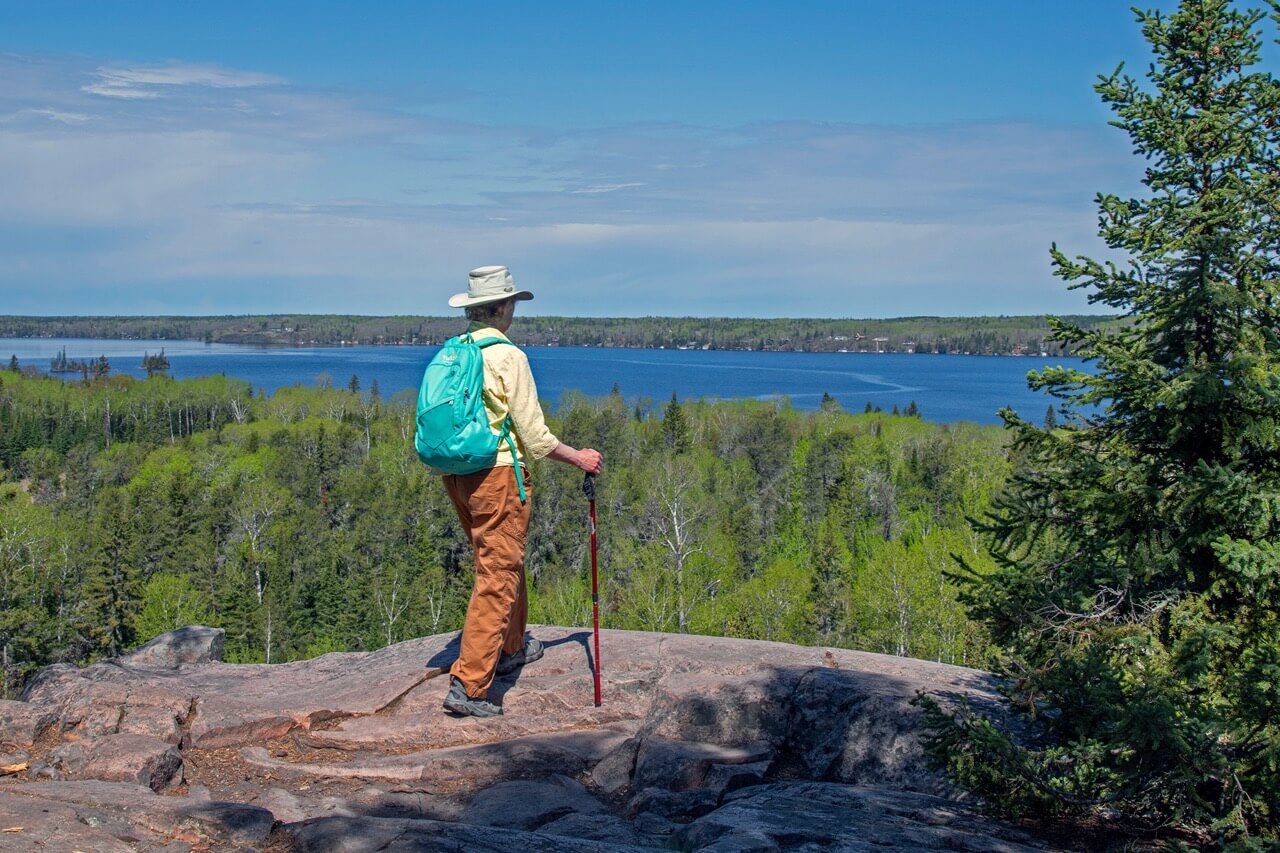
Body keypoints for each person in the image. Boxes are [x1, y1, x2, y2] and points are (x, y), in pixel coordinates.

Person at [440, 265, 604, 718]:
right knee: (498, 574)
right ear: (502, 308)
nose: (514, 310)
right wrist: (580, 458)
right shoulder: (508, 356)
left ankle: (511, 646)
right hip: (496, 476)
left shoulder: (456, 350)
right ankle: (469, 686)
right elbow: (536, 439)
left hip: (458, 474)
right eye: (512, 303)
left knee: (501, 562)